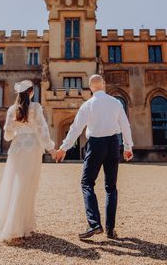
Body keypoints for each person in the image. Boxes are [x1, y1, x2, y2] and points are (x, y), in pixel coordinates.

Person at [55, 74, 134, 240]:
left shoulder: (87, 105)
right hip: (113, 143)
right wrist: (127, 147)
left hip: (96, 144)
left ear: (90, 88)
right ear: (104, 85)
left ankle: (94, 223)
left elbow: (76, 129)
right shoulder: (116, 103)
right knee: (111, 187)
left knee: (86, 183)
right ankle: (110, 230)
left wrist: (63, 148)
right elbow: (125, 125)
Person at [0, 80, 56, 241]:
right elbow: (42, 130)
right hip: (32, 150)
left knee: (13, 184)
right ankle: (18, 227)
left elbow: (8, 135)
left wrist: (18, 134)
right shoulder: (36, 107)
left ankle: (15, 224)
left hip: (17, 149)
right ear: (31, 92)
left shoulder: (12, 109)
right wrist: (51, 149)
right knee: (27, 186)